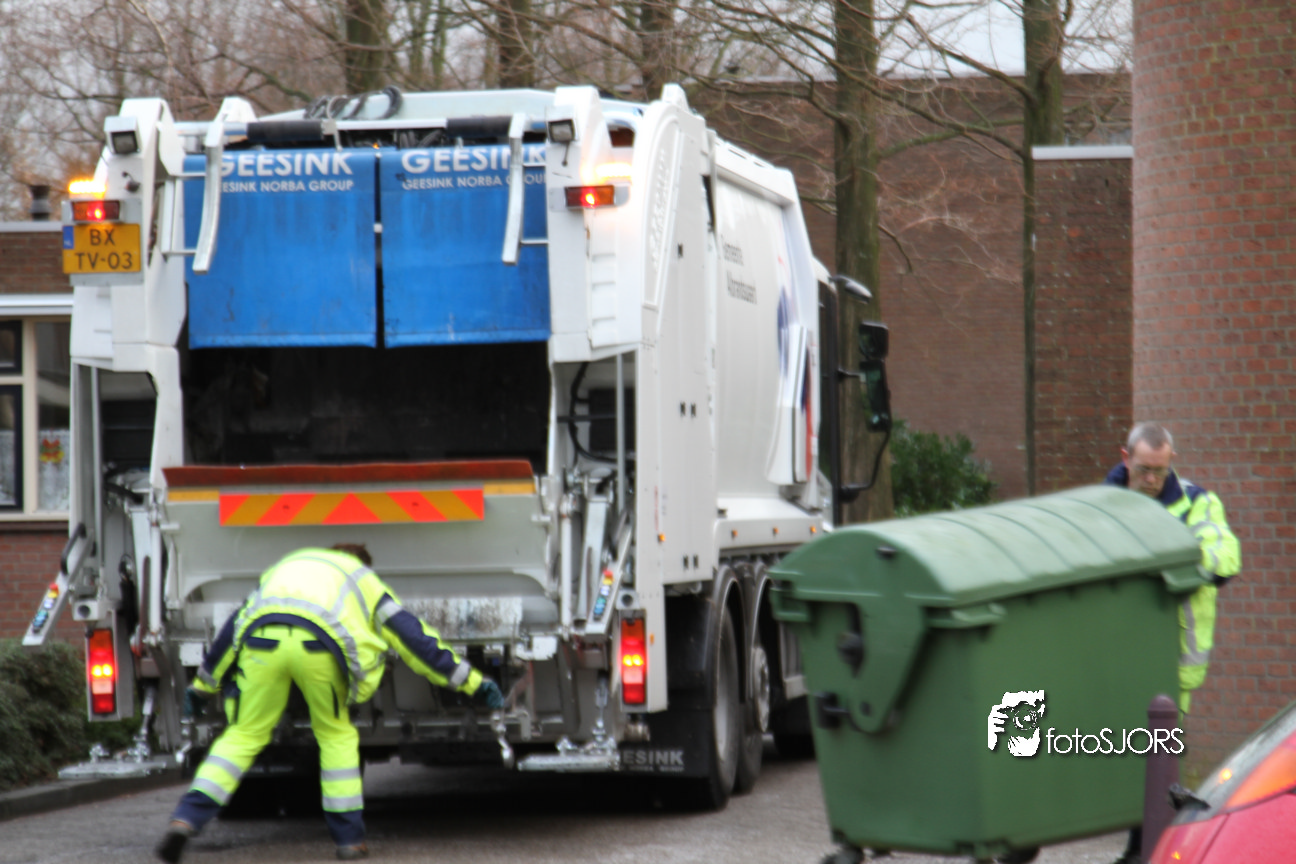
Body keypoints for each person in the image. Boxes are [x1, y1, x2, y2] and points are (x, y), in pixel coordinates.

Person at [155, 544, 504, 864]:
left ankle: (186, 818)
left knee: (243, 735)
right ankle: (349, 841)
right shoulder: (363, 579)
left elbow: (232, 630)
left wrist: (202, 688)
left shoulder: (286, 567)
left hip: (261, 643)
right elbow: (416, 641)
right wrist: (475, 683)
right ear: (363, 563)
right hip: (319, 652)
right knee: (335, 736)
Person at [1105, 423, 1241, 864]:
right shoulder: (1100, 505)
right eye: (1143, 469)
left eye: (1160, 471)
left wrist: (1168, 560)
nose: (1151, 479)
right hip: (1110, 650)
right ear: (1125, 457)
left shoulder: (1196, 501)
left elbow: (1224, 557)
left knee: (1154, 756)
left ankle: (1139, 850)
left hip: (1172, 657)